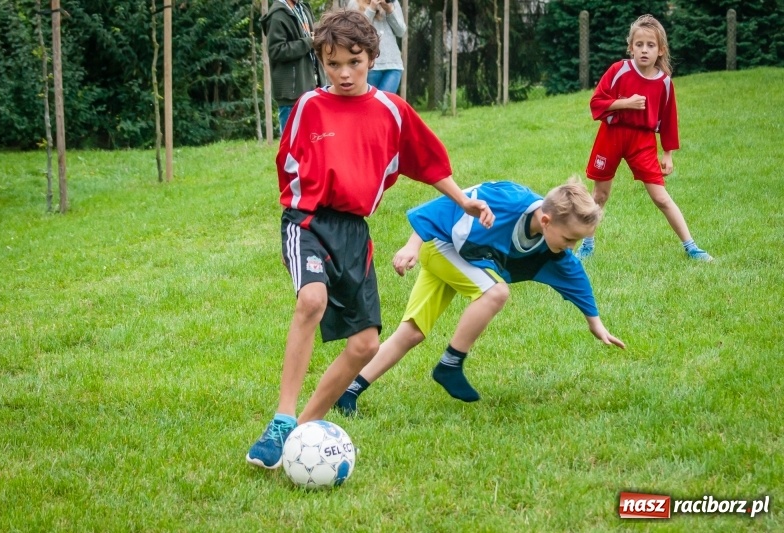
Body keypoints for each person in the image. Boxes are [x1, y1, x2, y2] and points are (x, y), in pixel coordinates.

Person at [246, 9, 495, 469]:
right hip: (307, 221)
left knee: (364, 345)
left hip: (354, 232)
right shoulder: (308, 107)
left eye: (354, 62)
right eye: (333, 63)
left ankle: (302, 432)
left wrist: (464, 202)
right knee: (311, 301)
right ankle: (282, 419)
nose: (343, 73)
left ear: (371, 56)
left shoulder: (391, 110)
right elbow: (288, 165)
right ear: (321, 59)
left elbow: (429, 162)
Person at [335, 179, 626, 416]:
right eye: (570, 239)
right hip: (441, 243)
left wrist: (595, 322)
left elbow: (574, 275)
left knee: (411, 333)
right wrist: (412, 245)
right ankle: (450, 365)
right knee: (495, 292)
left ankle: (347, 392)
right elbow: (445, 205)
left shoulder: (551, 243)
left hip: (458, 256)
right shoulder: (508, 201)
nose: (571, 247)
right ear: (547, 220)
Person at [576, 14, 712, 262]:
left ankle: (692, 247)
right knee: (600, 196)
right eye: (639, 45)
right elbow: (596, 102)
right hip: (612, 137)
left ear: (661, 50)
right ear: (631, 47)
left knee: (661, 197)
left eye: (650, 45)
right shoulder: (618, 70)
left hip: (643, 143)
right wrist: (624, 103)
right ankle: (587, 244)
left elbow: (669, 120)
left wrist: (668, 153)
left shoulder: (665, 83)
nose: (644, 50)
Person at [260, 0, 326, 134]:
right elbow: (276, 51)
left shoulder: (303, 7)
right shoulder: (277, 15)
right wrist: (308, 42)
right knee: (291, 144)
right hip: (292, 92)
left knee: (313, 139)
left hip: (312, 85)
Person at [346, 0, 406, 93]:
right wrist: (371, 8)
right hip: (370, 64)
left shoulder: (393, 2)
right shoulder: (354, 3)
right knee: (370, 104)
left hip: (393, 64)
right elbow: (356, 32)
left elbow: (401, 31)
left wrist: (390, 10)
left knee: (385, 103)